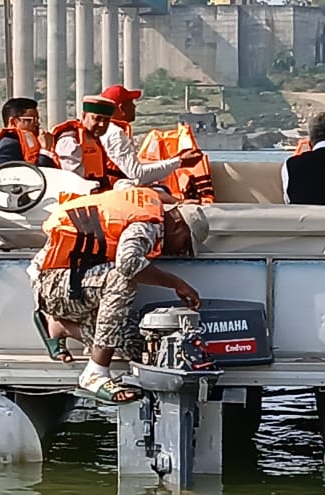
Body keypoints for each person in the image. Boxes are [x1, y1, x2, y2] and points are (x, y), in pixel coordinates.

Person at [32, 187, 209, 403]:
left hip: (72, 285)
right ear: (179, 225)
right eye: (186, 244)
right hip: (54, 284)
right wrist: (177, 283)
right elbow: (128, 264)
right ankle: (95, 372)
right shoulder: (148, 225)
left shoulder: (150, 209)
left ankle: (61, 327)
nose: (183, 252)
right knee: (122, 278)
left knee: (137, 344)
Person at [98, 84, 203, 187]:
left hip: (114, 184)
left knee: (161, 189)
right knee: (160, 190)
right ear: (121, 108)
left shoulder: (110, 130)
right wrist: (180, 162)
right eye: (131, 102)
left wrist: (174, 160)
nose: (134, 106)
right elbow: (137, 174)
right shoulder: (114, 134)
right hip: (115, 188)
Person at [53, 96, 122, 189]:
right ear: (84, 116)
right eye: (97, 119)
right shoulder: (70, 140)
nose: (102, 125)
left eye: (106, 120)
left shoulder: (95, 138)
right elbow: (73, 179)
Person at [0, 97, 58, 170]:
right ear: (12, 122)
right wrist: (45, 151)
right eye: (29, 120)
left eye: (37, 119)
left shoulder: (31, 143)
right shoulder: (7, 147)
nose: (37, 124)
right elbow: (21, 178)